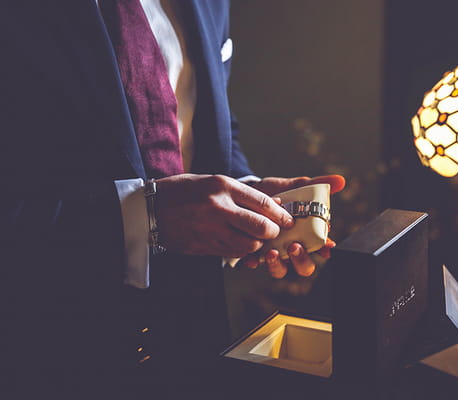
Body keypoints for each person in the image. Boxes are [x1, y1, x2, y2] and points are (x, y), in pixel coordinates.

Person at [0, 0, 344, 397]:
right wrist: (146, 216)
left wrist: (246, 190)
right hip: (50, 347)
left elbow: (207, 124)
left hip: (195, 333)